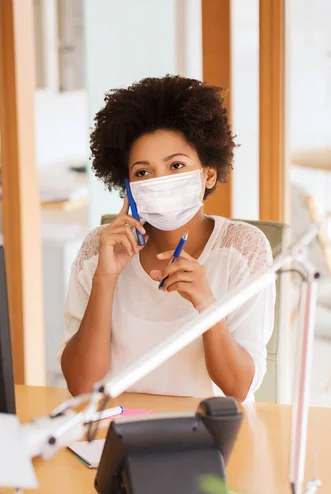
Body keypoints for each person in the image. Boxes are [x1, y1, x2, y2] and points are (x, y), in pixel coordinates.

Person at [60, 75, 275, 403]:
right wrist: (106, 279)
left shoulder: (243, 249)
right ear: (128, 186)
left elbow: (238, 388)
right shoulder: (97, 250)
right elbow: (82, 386)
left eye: (176, 165)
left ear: (209, 173)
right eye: (143, 172)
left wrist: (207, 303)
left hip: (210, 435)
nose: (160, 181)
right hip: (119, 432)